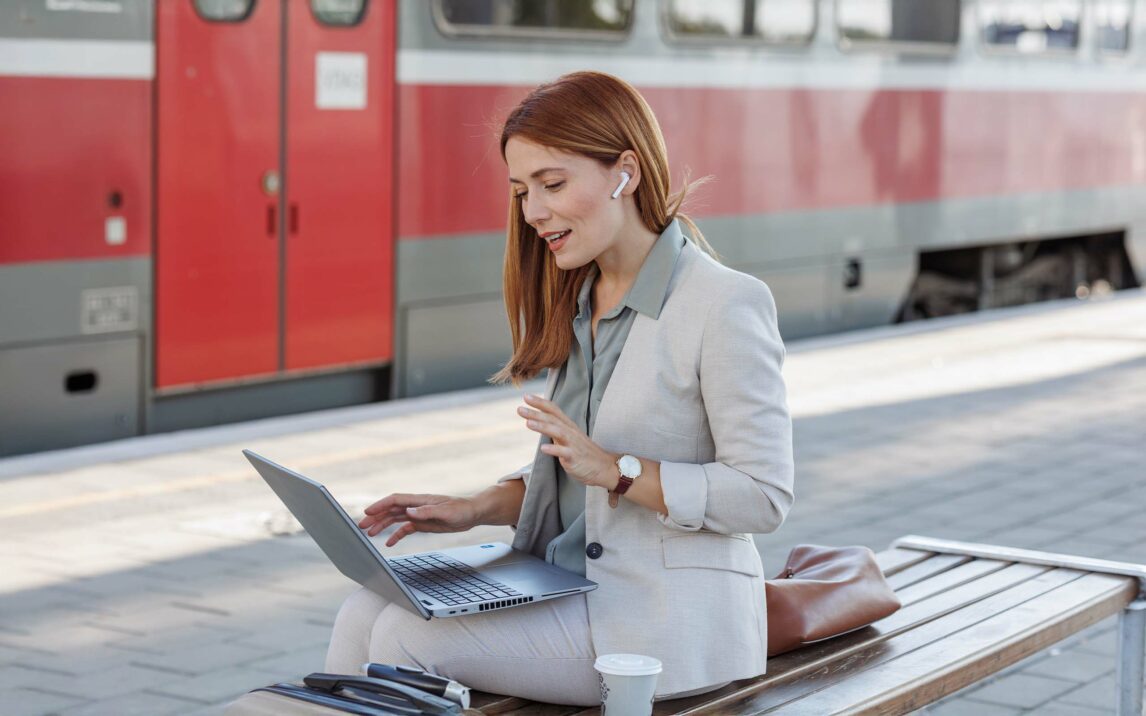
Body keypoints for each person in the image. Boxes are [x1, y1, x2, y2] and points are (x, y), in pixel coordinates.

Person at [324, 70, 794, 706]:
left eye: (552, 184)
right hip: (569, 586)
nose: (533, 212)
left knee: (408, 636)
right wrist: (474, 506)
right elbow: (576, 478)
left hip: (659, 618)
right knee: (363, 610)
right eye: (521, 191)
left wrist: (619, 471)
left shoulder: (725, 303)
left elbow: (764, 495)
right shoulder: (582, 298)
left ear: (624, 172)